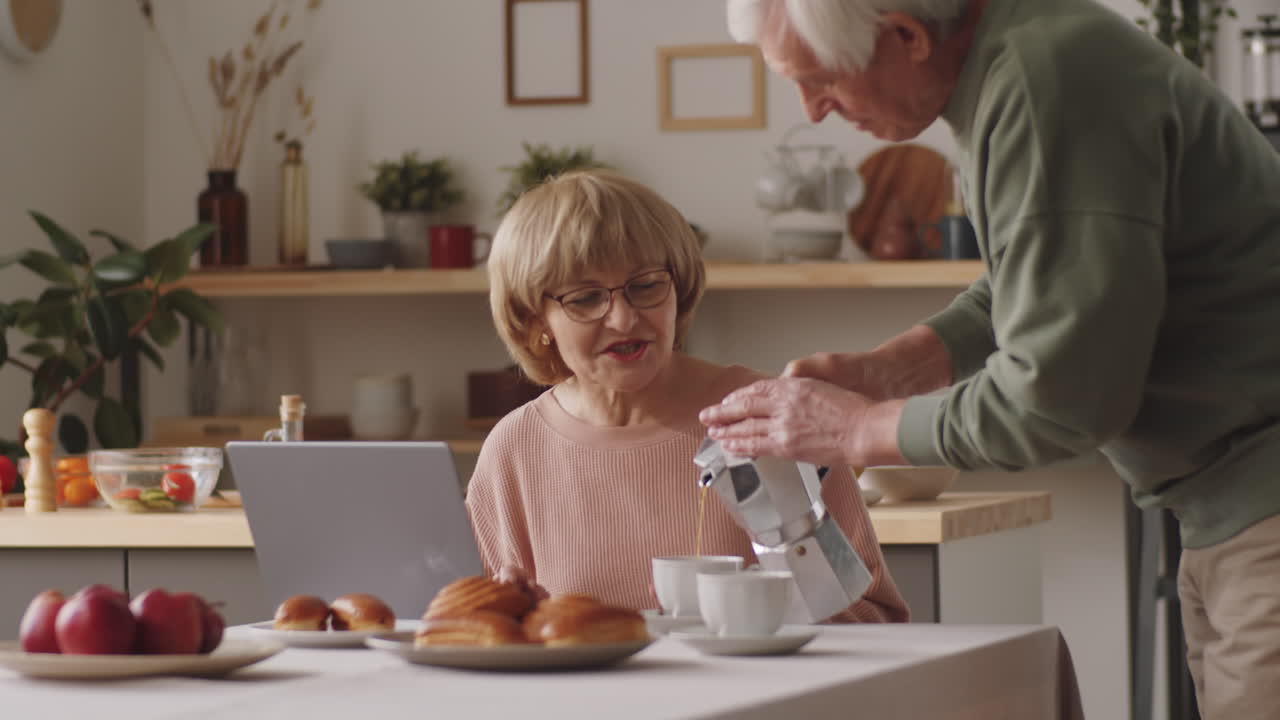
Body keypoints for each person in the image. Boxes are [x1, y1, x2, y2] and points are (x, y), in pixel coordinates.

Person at [701, 0, 1280, 716]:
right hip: (1227, 510)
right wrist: (893, 368)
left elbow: (1060, 402)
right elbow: (1049, 274)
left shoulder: (1042, 84)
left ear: (905, 35)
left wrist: (858, 429)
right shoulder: (1027, 56)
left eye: (820, 80)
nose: (812, 112)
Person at [467, 169, 908, 623]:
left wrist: (781, 587)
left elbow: (876, 621)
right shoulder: (514, 450)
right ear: (534, 320)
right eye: (585, 298)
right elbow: (471, 633)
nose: (623, 319)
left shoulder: (772, 419)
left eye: (646, 286)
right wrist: (521, 619)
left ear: (679, 289)